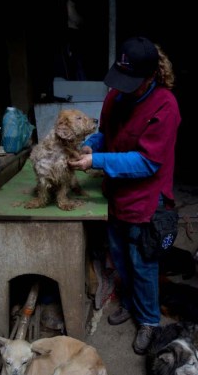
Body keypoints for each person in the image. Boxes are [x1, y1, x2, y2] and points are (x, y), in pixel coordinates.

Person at [68, 36, 181, 354]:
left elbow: (147, 162)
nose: (122, 87)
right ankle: (131, 303)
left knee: (142, 261)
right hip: (116, 192)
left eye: (131, 81)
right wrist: (94, 145)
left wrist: (95, 161)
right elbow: (108, 133)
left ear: (150, 77)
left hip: (146, 198)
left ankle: (149, 321)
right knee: (119, 256)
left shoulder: (165, 106)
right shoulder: (116, 97)